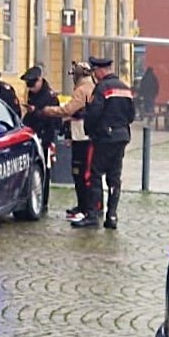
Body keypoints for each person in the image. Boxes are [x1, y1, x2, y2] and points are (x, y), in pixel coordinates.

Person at [74, 55, 135, 230]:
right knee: (114, 178)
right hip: (121, 137)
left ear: (100, 71)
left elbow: (94, 114)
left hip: (103, 138)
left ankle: (93, 215)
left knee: (94, 175)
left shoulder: (102, 88)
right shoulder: (125, 88)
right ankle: (112, 216)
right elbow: (131, 115)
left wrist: (90, 130)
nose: (94, 75)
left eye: (94, 71)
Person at [40, 61, 96, 222]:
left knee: (79, 172)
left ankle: (84, 207)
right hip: (86, 135)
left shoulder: (82, 89)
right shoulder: (92, 86)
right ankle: (87, 206)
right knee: (87, 173)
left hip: (81, 135)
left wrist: (48, 110)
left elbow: (69, 110)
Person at [20, 65, 62, 171]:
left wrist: (35, 111)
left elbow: (53, 119)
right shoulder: (32, 93)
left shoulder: (49, 97)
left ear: (39, 80)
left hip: (45, 137)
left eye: (32, 84)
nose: (30, 88)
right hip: (33, 134)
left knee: (44, 168)